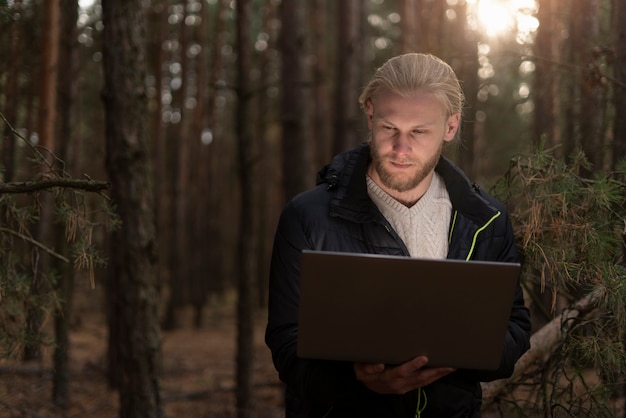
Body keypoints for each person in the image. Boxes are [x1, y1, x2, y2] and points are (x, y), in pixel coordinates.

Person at [265, 53, 531, 418]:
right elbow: (286, 344)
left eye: (419, 132)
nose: (401, 149)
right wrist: (360, 382)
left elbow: (514, 327)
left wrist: (461, 353)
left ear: (450, 127)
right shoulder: (307, 218)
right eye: (390, 128)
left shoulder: (485, 220)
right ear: (370, 114)